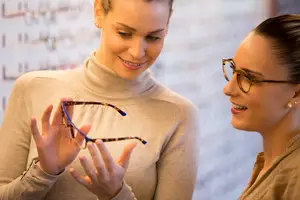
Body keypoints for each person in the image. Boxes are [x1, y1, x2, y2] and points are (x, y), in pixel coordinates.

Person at [0, 0, 199, 199]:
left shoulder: (178, 115)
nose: (137, 52)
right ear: (98, 12)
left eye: (153, 37)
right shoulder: (32, 89)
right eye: (124, 33)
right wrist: (42, 172)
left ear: (167, 25)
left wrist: (116, 194)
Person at [223, 14, 300, 200]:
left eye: (249, 78)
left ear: (296, 93)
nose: (228, 89)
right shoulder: (271, 163)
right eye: (234, 71)